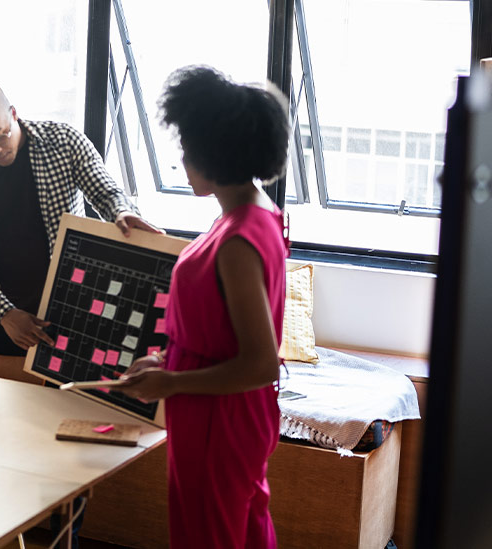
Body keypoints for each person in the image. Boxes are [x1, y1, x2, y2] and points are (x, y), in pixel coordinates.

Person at [118, 66, 290, 549]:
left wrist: (171, 382)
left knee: (208, 536)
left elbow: (259, 364)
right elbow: (216, 332)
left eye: (188, 148)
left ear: (215, 154)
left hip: (220, 417)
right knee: (243, 529)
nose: (182, 157)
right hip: (219, 409)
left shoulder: (237, 239)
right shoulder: (254, 214)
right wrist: (164, 362)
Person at [0, 81, 161, 357]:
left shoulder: (63, 141)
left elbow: (105, 191)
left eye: (0, 135)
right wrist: (6, 314)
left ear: (14, 114)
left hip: (70, 312)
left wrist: (122, 213)